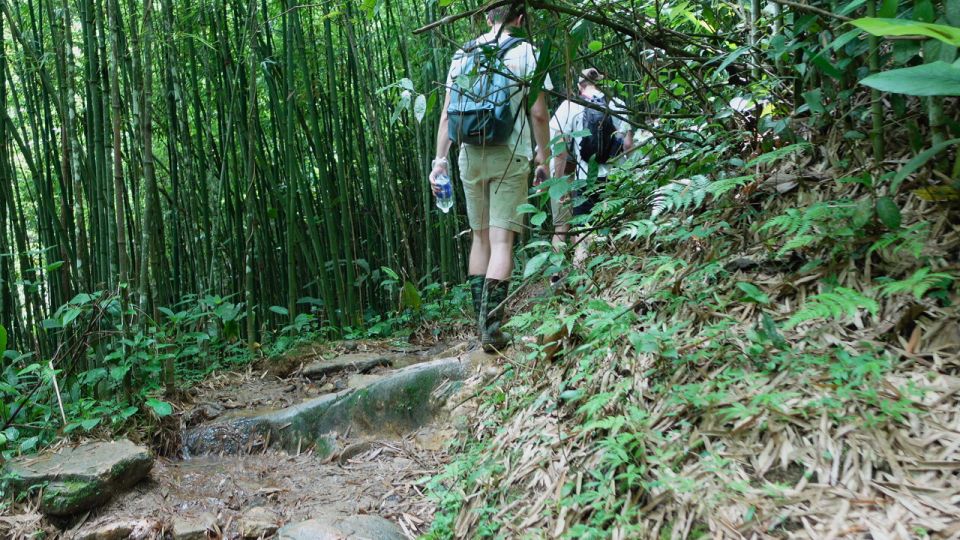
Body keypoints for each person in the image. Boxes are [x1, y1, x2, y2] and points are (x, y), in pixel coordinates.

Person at [429, 4, 552, 353]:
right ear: (520, 18)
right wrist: (543, 157)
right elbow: (539, 114)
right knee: (502, 242)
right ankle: (492, 328)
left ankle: (481, 325)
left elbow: (447, 113)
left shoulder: (463, 53)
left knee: (479, 238)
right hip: (510, 154)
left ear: (486, 17)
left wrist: (440, 161)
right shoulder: (528, 52)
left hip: (469, 155)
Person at [548, 68, 634, 250]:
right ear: (602, 82)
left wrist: (559, 184)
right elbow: (627, 145)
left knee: (583, 235)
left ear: (580, 86)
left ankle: (582, 274)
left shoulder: (571, 105)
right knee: (615, 229)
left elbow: (560, 150)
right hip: (615, 178)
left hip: (584, 179)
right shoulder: (617, 103)